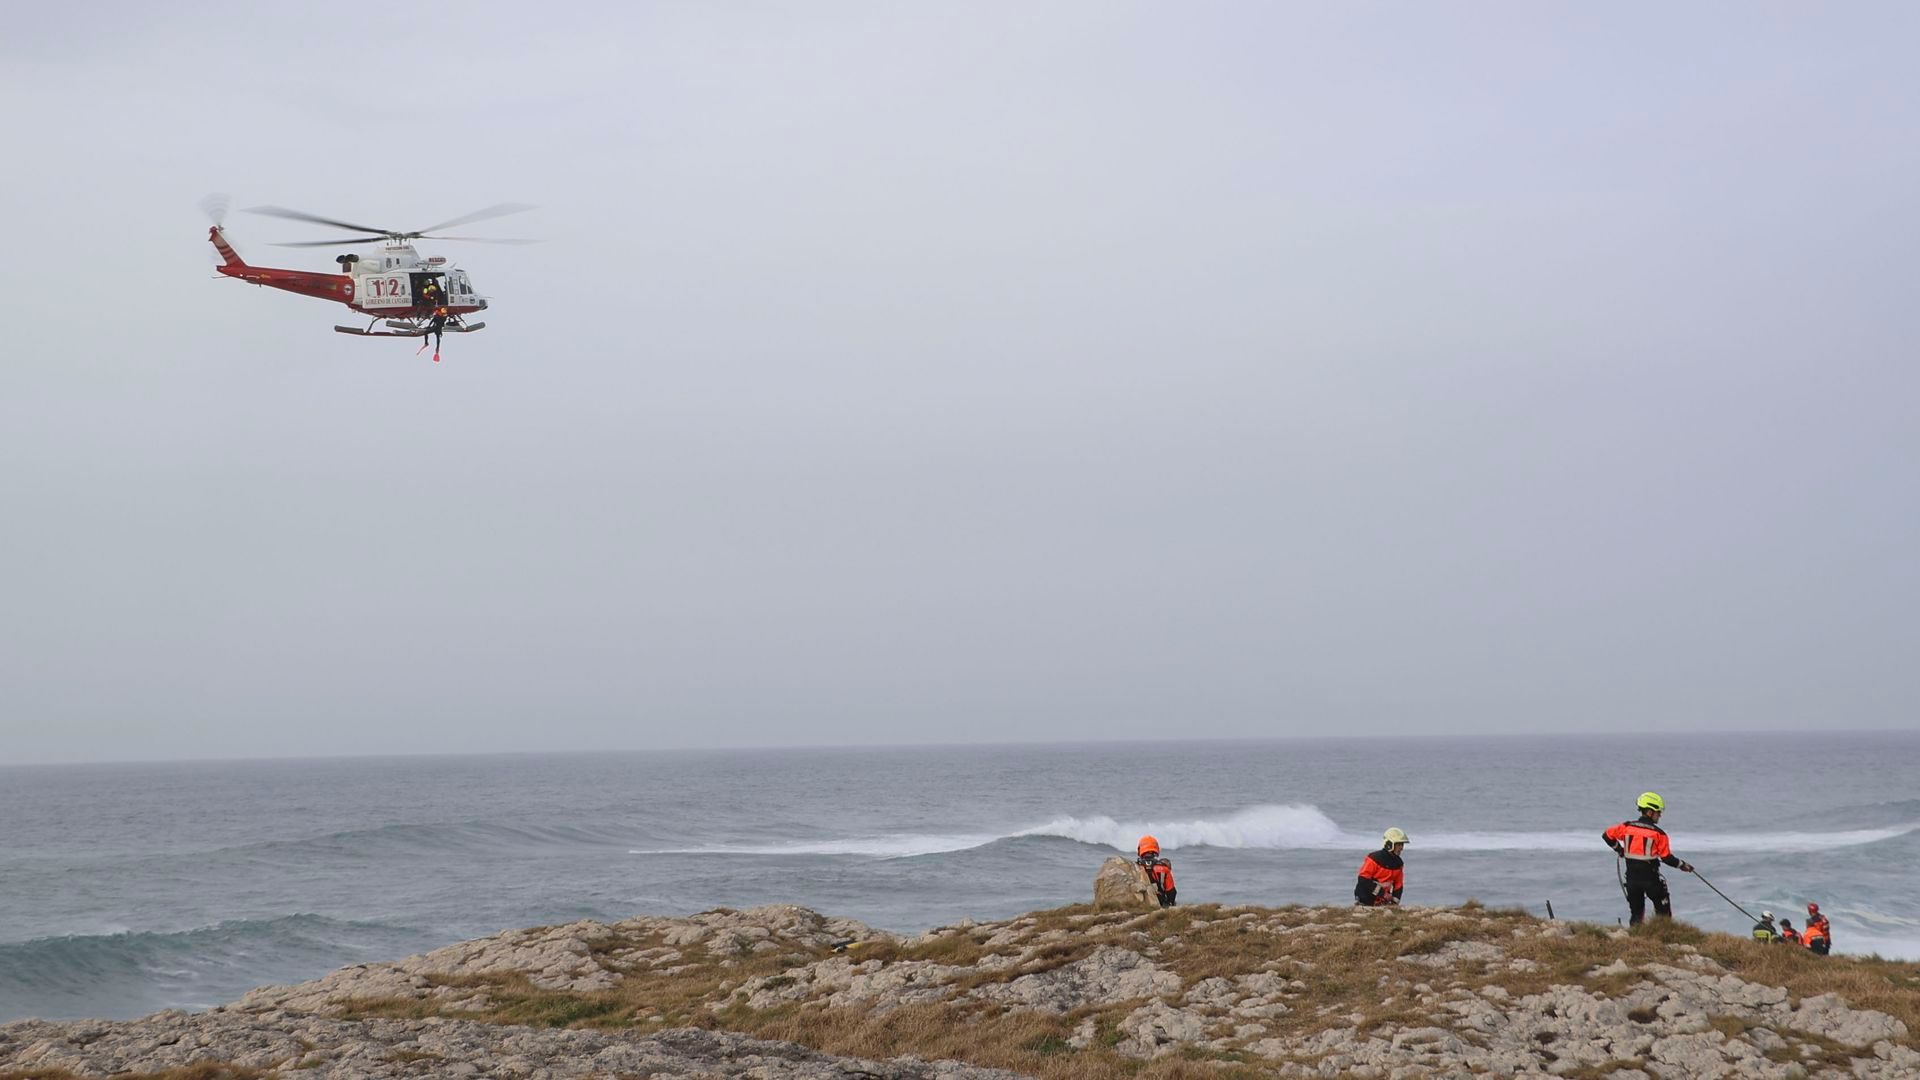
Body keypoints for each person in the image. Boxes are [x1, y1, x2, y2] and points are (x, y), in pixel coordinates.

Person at [1602, 792, 1694, 926]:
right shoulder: (1659, 834)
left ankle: (1635, 939)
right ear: (1650, 812)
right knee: (1663, 915)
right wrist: (1683, 865)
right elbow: (1667, 858)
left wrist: (1620, 850)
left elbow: (1606, 835)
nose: (1660, 815)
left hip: (1632, 880)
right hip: (1651, 881)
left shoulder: (1626, 827)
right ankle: (1664, 939)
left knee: (1636, 915)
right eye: (1658, 812)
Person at [1354, 828, 1408, 907]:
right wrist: (1382, 893)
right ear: (1390, 844)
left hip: (1383, 901)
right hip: (1366, 899)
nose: (1401, 848)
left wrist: (1394, 903)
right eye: (1399, 845)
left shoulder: (1398, 863)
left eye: (1402, 845)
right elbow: (1363, 879)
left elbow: (1398, 885)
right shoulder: (1374, 858)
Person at [1136, 835, 1176, 907]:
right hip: (1159, 902)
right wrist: (1171, 903)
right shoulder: (1164, 868)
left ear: (1140, 849)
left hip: (1140, 903)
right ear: (1156, 848)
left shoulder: (1136, 867)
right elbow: (1171, 892)